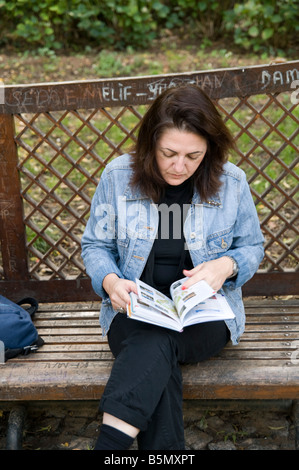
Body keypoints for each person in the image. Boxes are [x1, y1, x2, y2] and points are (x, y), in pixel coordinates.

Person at [81, 84, 264, 450]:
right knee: (156, 343)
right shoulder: (118, 176)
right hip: (133, 309)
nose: (179, 166)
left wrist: (226, 266)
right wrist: (111, 280)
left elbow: (252, 247)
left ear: (209, 150)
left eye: (193, 156)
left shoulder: (232, 183)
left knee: (154, 344)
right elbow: (96, 245)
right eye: (168, 153)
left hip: (205, 316)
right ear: (151, 144)